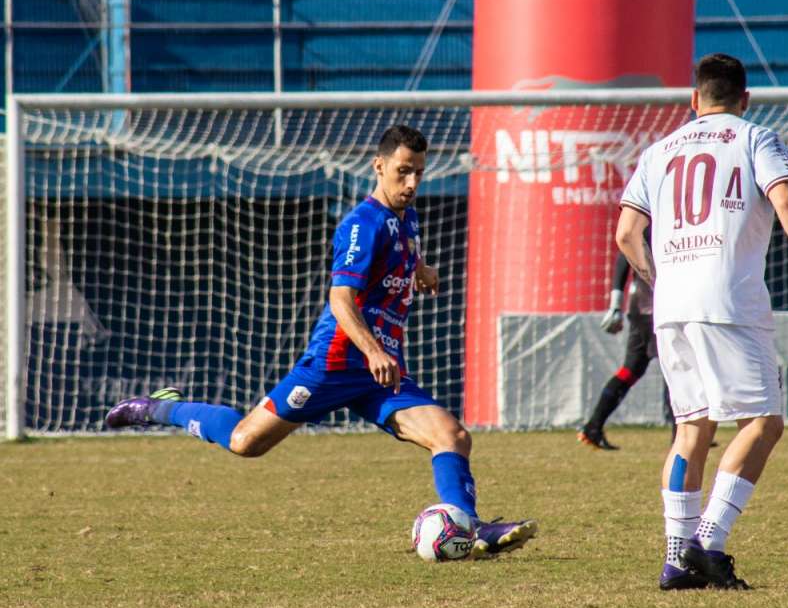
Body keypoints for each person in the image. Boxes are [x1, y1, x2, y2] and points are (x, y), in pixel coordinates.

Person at [106, 125, 538, 559]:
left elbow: (403, 256)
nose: (411, 183)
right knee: (245, 442)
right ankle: (157, 407)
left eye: (419, 174)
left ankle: (469, 525)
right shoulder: (361, 224)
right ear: (379, 165)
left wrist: (421, 271)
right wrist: (372, 350)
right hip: (333, 365)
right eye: (403, 172)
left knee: (452, 435)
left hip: (378, 374)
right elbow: (340, 297)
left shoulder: (409, 218)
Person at [616, 53, 788, 590]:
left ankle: (675, 558)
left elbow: (626, 234)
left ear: (694, 100)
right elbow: (784, 198)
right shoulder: (755, 137)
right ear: (744, 99)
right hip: (729, 300)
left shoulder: (657, 150)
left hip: (671, 303)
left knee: (692, 427)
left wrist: (660, 277)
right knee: (763, 422)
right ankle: (706, 544)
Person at [578, 242, 674, 451]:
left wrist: (616, 305)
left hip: (642, 309)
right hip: (656, 310)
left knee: (630, 371)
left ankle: (593, 426)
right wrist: (614, 306)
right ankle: (682, 437)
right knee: (676, 370)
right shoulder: (654, 219)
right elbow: (625, 250)